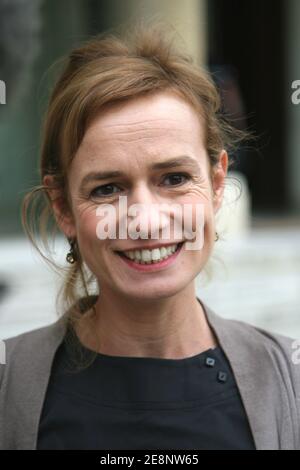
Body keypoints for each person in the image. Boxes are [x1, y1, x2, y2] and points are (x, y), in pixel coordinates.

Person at [0, 20, 299, 450]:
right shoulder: (9, 390)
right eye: (107, 189)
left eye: (174, 178)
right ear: (63, 206)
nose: (144, 221)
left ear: (217, 184)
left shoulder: (289, 384)